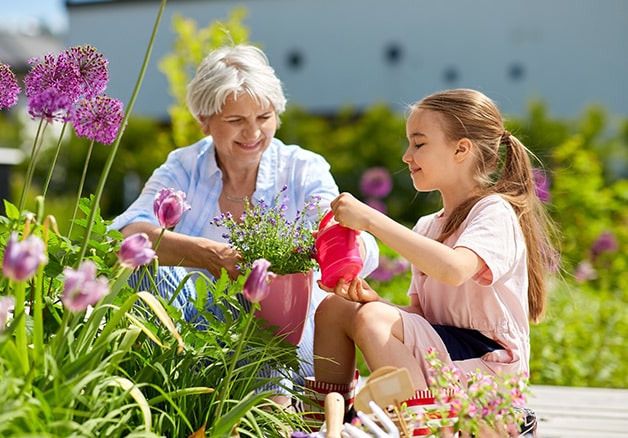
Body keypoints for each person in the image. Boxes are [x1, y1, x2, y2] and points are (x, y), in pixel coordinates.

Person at [109, 44, 378, 405]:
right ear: (204, 121)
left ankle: (267, 413)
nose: (253, 133)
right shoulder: (184, 165)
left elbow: (339, 230)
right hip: (196, 334)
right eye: (236, 120)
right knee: (142, 263)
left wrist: (341, 252)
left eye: (264, 117)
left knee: (259, 309)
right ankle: (164, 395)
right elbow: (129, 233)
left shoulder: (302, 167)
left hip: (287, 340)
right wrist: (210, 255)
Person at [307, 89, 557, 431]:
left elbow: (454, 269)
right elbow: (424, 318)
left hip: (489, 375)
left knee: (372, 319)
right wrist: (375, 302)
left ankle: (421, 428)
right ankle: (324, 423)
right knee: (336, 308)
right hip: (449, 360)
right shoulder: (429, 225)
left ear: (461, 149)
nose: (407, 155)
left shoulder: (494, 212)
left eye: (419, 143)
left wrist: (370, 221)